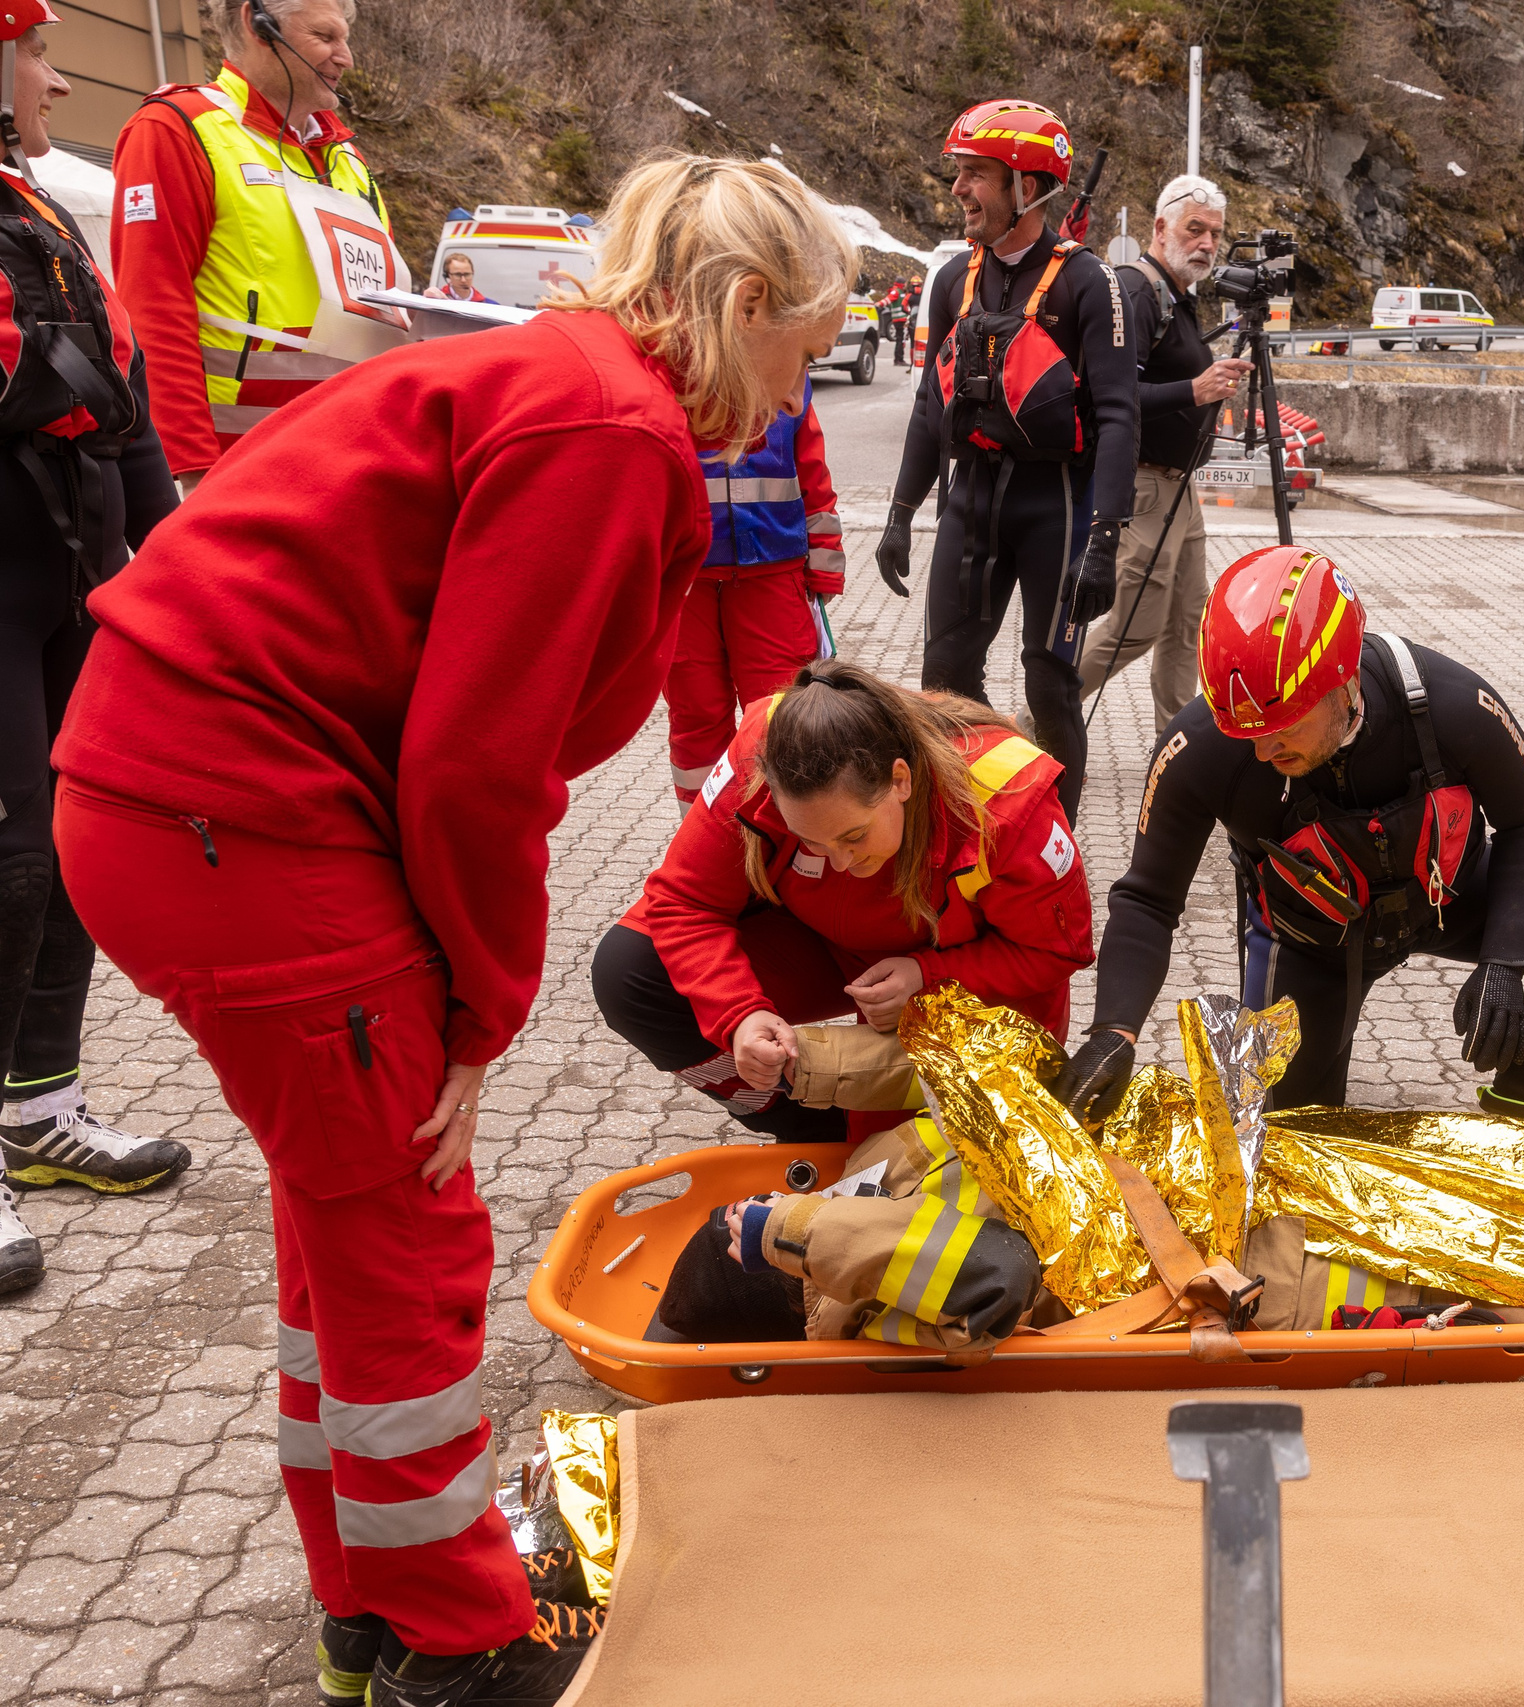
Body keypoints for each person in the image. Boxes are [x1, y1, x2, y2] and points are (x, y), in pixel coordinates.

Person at [50, 157, 854, 1707]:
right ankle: (461, 1638)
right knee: (410, 1219)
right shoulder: (613, 431)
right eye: (805, 349)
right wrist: (482, 1016)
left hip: (187, 789)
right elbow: (479, 769)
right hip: (238, 806)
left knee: (342, 1211)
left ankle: (369, 1598)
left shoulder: (570, 382)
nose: (799, 389)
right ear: (744, 306)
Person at [1054, 546, 1524, 1123]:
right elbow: (1147, 899)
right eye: (1246, 731)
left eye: (1283, 726)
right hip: (1312, 937)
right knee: (1287, 1138)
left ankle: (1516, 1117)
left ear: (1344, 684)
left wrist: (1507, 958)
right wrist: (1115, 1031)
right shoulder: (1204, 748)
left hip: (1448, 895)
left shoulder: (1450, 702)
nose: (1263, 750)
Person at [0, 1, 191, 1297]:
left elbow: (112, 393)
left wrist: (179, 570)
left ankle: (38, 1107)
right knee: (6, 858)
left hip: (71, 578)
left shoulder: (40, 214)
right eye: (34, 56)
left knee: (66, 842)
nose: (57, 83)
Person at [593, 657, 1094, 1143]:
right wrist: (740, 1014)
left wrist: (928, 975)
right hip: (827, 945)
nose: (839, 863)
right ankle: (810, 1132)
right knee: (631, 971)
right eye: (809, 839)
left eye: (853, 835)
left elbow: (1057, 950)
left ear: (900, 781)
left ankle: (864, 1141)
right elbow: (683, 900)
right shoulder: (767, 755)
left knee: (913, 1170)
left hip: (966, 977)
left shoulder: (1005, 801)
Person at [874, 98, 1139, 824]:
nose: (958, 190)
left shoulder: (1090, 283)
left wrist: (1106, 540)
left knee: (1050, 683)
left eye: (976, 175)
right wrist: (900, 511)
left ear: (1027, 187)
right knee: (943, 677)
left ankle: (1056, 839)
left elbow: (1120, 415)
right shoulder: (952, 279)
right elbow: (933, 405)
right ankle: (977, 810)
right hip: (972, 498)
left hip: (1057, 504)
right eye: (957, 174)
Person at [110, 0, 401, 490]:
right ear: (258, 24)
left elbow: (370, 300)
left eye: (345, 38)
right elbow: (154, 308)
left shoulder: (346, 155)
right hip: (240, 463)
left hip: (352, 451)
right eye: (326, 37)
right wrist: (191, 468)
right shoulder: (180, 128)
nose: (345, 56)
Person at [1076, 173, 1254, 735]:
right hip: (1145, 486)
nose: (1206, 243)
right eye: (1194, 229)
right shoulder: (1136, 290)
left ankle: (1177, 741)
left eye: (1215, 235)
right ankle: (1035, 717)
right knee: (1135, 626)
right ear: (1160, 227)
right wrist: (1194, 390)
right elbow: (1104, 397)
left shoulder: (1179, 295)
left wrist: (1205, 382)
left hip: (1183, 488)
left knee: (1187, 625)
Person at [666, 376, 843, 805]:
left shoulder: (781, 362)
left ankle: (779, 834)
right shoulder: (662, 366)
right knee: (696, 716)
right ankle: (704, 838)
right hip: (686, 580)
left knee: (781, 716)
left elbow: (812, 474)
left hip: (771, 575)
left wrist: (824, 565)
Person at [426, 252, 495, 303]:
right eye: (458, 275)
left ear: (473, 273)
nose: (463, 280)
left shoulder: (489, 305)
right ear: (447, 276)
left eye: (467, 274)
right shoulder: (435, 300)